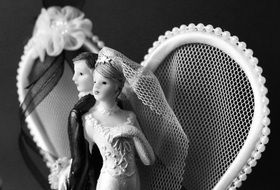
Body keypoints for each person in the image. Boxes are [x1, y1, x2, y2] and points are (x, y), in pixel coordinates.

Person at [83, 47, 155, 190]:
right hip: (109, 183)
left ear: (117, 88)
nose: (96, 87)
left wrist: (135, 132)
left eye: (104, 83)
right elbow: (86, 161)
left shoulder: (129, 117)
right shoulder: (90, 120)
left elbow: (148, 160)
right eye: (95, 81)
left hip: (133, 182)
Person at [67, 52, 103, 190]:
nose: (73, 78)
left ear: (95, 76)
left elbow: (79, 162)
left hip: (92, 180)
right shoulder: (115, 103)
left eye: (81, 74)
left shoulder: (78, 113)